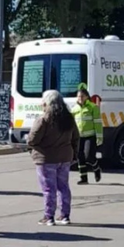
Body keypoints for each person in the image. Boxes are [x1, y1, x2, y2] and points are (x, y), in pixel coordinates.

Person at [28, 90, 79, 226]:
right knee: (63, 187)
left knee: (48, 188)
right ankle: (64, 215)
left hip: (46, 158)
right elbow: (76, 137)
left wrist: (30, 145)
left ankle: (48, 216)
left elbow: (33, 139)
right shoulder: (69, 118)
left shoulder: (44, 119)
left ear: (47, 103)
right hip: (65, 157)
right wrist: (74, 153)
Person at [71, 89, 103, 185]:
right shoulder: (74, 109)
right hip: (79, 136)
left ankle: (97, 169)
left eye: (82, 96)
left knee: (89, 156)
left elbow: (98, 123)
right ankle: (83, 178)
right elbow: (71, 123)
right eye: (78, 96)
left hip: (90, 136)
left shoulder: (93, 107)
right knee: (80, 157)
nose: (80, 98)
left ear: (87, 97)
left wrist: (99, 136)